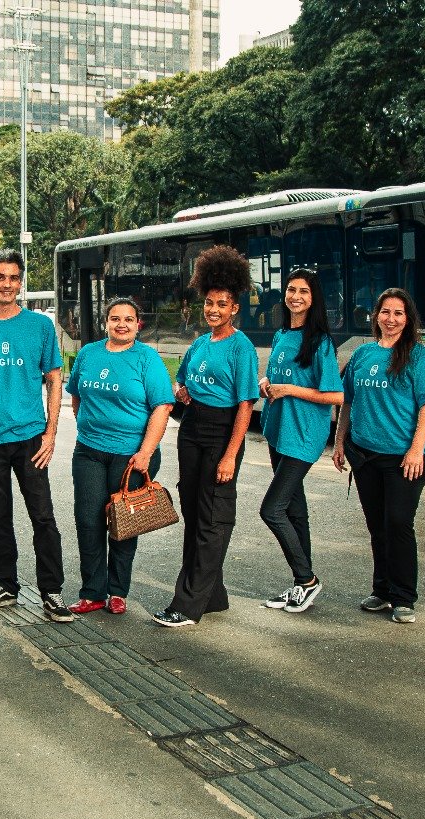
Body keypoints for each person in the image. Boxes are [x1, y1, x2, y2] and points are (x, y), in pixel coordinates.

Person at [0, 249, 73, 622]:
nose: (7, 284)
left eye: (13, 278)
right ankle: (6, 585)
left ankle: (52, 591)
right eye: (0, 277)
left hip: (30, 437)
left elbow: (54, 380)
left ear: (19, 282)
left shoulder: (39, 326)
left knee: (43, 516)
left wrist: (51, 433)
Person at [154, 246, 259, 628]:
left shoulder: (241, 347)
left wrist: (231, 455)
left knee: (214, 517)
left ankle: (186, 605)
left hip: (221, 433)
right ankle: (212, 595)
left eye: (222, 304)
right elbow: (182, 381)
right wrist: (182, 391)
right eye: (209, 303)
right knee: (196, 515)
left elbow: (246, 405)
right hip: (192, 429)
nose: (213, 309)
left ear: (235, 308)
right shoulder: (200, 344)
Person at [332, 287, 425, 625]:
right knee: (376, 527)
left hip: (403, 459)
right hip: (365, 456)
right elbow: (348, 402)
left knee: (398, 524)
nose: (390, 319)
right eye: (385, 312)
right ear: (375, 316)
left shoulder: (416, 356)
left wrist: (415, 450)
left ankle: (404, 596)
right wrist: (338, 443)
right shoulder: (363, 355)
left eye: (398, 313)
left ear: (407, 319)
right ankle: (381, 590)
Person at [67, 297, 173, 615]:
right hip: (88, 452)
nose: (121, 324)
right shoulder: (88, 354)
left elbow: (162, 407)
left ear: (137, 324)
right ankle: (92, 593)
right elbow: (76, 397)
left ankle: (116, 591)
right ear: (106, 322)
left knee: (123, 523)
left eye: (128, 319)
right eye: (115, 318)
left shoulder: (146, 358)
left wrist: (145, 452)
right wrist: (90, 427)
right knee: (88, 521)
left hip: (132, 458)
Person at [258, 269, 343, 614]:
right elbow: (280, 376)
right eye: (291, 290)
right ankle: (299, 586)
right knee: (295, 511)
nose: (295, 296)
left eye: (303, 291)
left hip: (303, 435)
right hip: (279, 430)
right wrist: (267, 381)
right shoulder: (281, 335)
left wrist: (290, 390)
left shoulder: (320, 341)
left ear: (314, 298)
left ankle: (307, 579)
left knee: (271, 509)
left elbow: (335, 394)